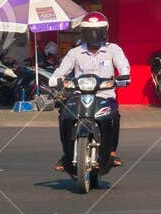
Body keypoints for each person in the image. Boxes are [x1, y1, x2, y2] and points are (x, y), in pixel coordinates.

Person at [50, 12, 129, 172]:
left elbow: (123, 67)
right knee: (64, 115)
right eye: (89, 31)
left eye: (97, 30)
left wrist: (123, 77)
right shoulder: (75, 52)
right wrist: (55, 79)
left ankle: (111, 152)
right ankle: (67, 154)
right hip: (79, 95)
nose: (93, 35)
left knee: (113, 115)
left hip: (104, 96)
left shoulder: (113, 49)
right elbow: (61, 71)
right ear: (83, 32)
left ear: (105, 31)